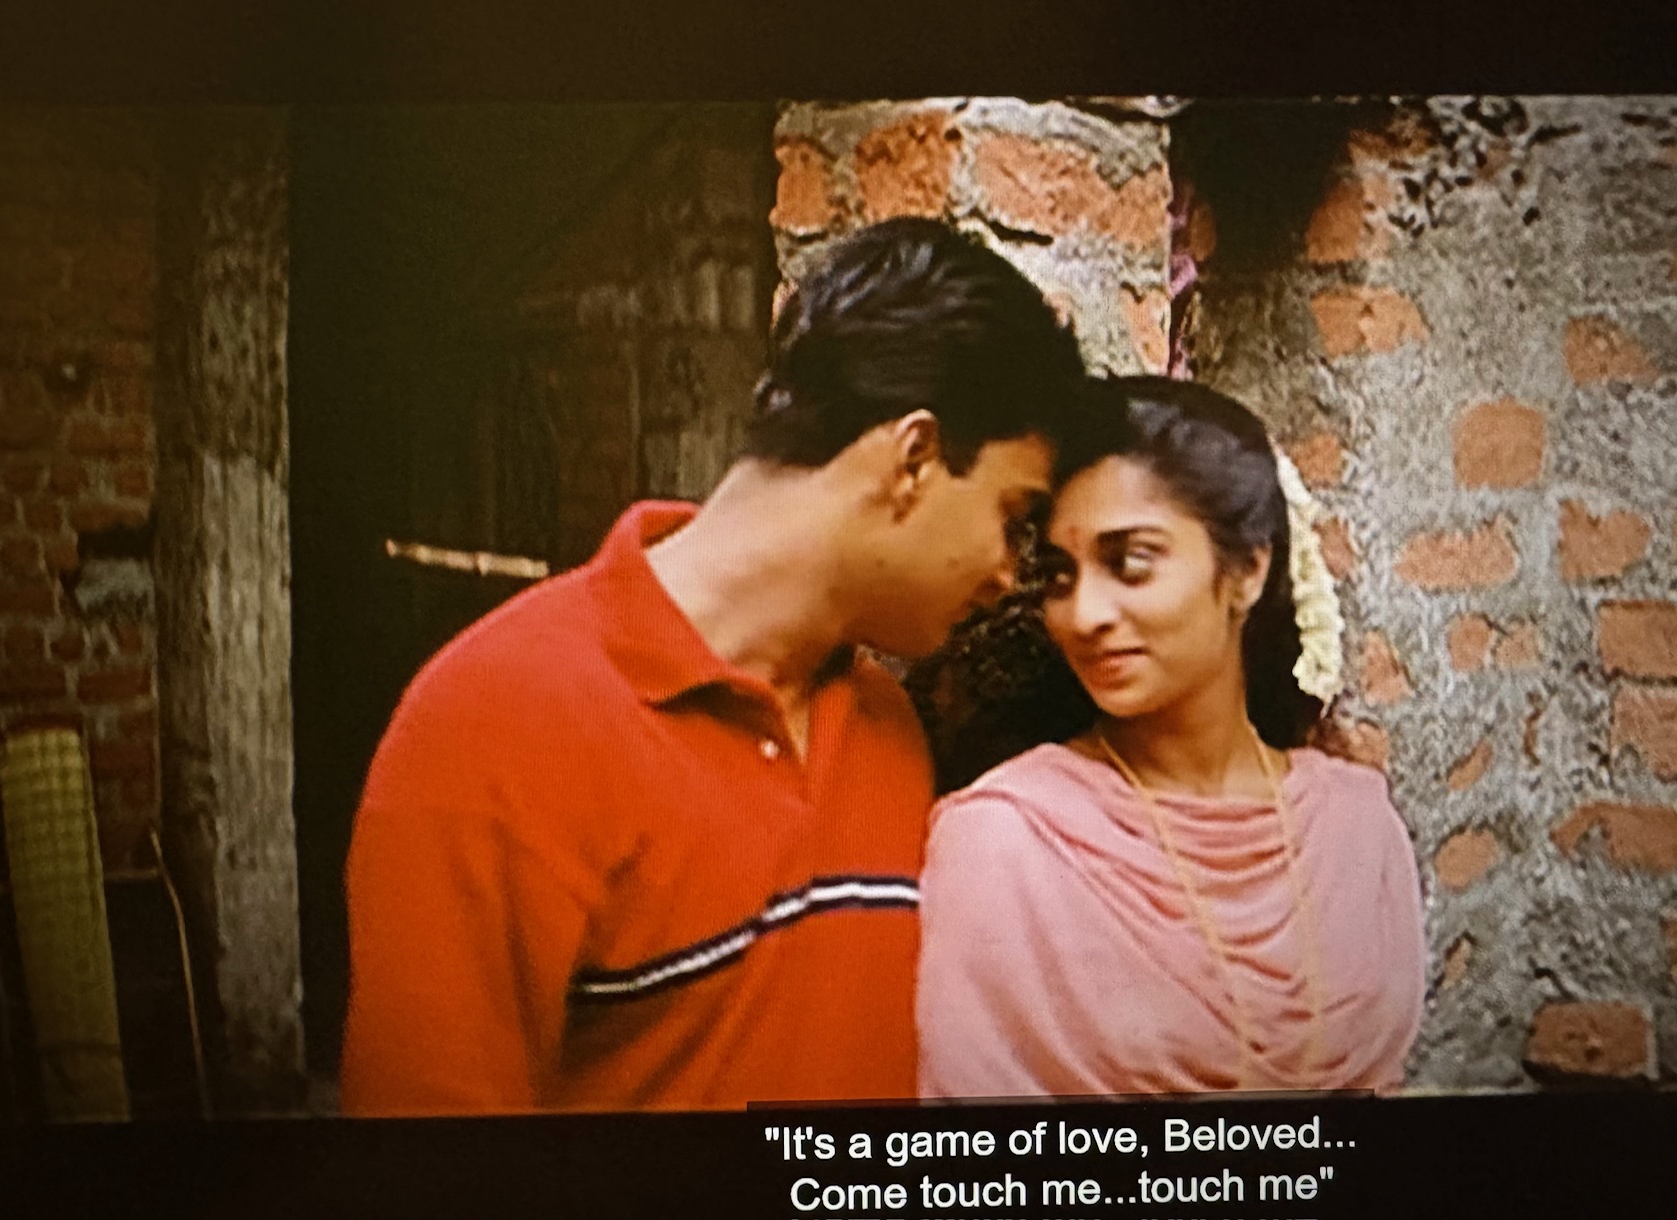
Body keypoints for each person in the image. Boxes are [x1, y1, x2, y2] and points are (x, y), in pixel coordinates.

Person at [340, 218, 1116, 1114]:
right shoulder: (490, 724)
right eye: (1012, 518)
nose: (1009, 575)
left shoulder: (886, 726)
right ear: (913, 459)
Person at [916, 376, 1425, 1097]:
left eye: (1129, 563)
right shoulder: (1007, 843)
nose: (1083, 614)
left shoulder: (1356, 828)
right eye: (1059, 576)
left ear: (1247, 570)